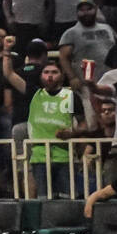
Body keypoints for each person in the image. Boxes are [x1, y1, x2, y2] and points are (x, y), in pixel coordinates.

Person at [28, 61, 77, 196]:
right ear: (41, 76)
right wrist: (7, 52)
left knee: (67, 200)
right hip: (40, 157)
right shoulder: (34, 94)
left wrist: (72, 133)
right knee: (43, 200)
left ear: (62, 76)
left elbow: (85, 124)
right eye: (46, 72)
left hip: (64, 157)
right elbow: (9, 75)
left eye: (54, 72)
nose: (50, 76)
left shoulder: (70, 95)